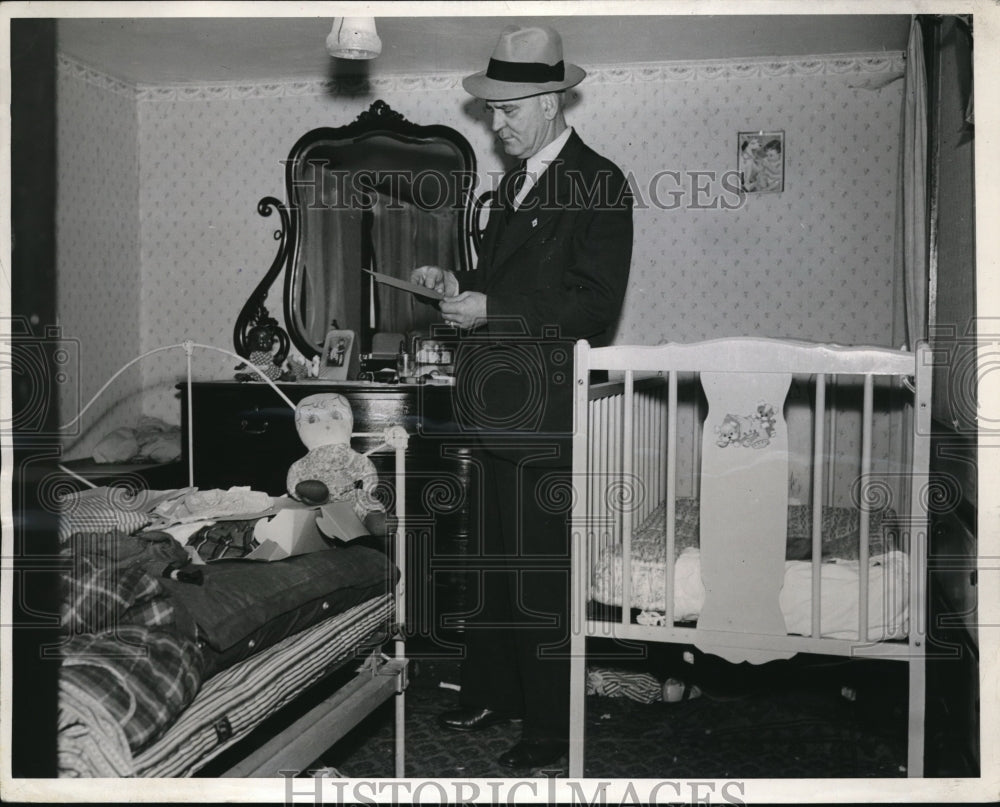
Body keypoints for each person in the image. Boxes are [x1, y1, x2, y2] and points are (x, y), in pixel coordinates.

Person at [410, 24, 633, 769]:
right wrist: (460, 290)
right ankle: (496, 690)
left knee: (538, 574)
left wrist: (491, 309)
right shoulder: (513, 184)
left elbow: (592, 307)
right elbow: (512, 286)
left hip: (544, 413)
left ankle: (550, 725)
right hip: (496, 404)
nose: (494, 124)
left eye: (505, 111)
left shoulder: (598, 182)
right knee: (492, 564)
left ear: (544, 101)